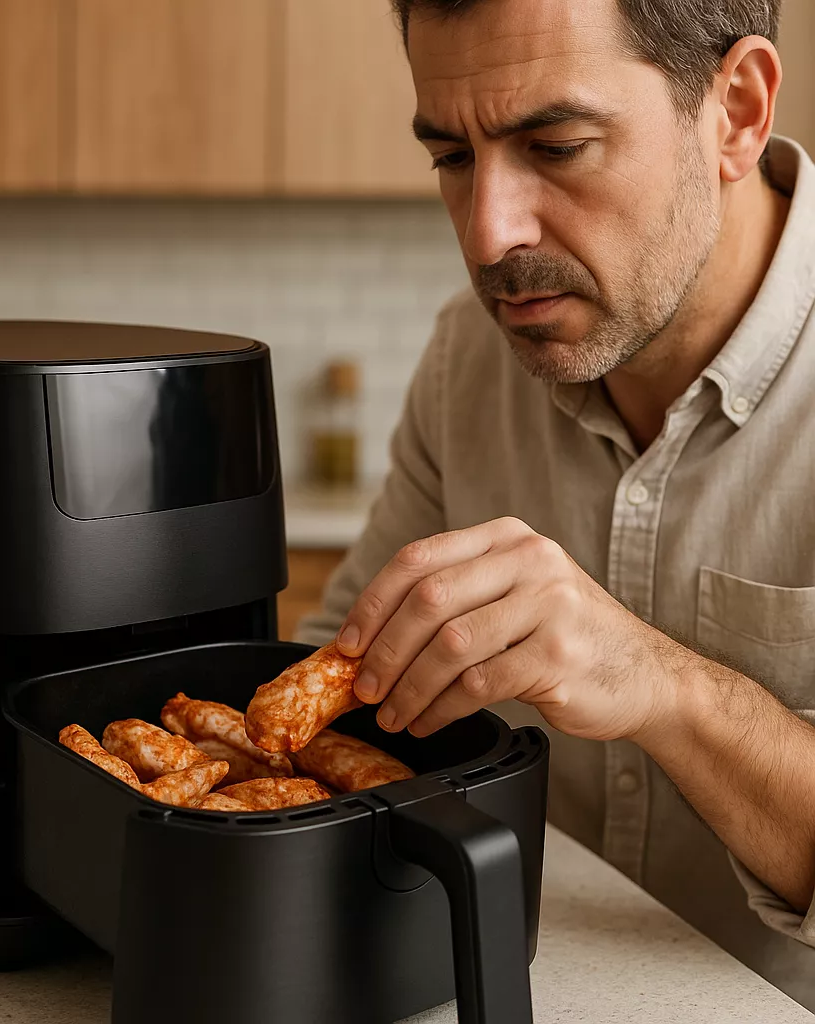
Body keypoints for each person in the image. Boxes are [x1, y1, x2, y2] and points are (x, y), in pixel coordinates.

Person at [296, 0, 815, 1008]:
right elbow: (341, 683)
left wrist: (666, 687)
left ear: (736, 112)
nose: (490, 236)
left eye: (557, 145)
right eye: (451, 156)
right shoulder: (469, 358)